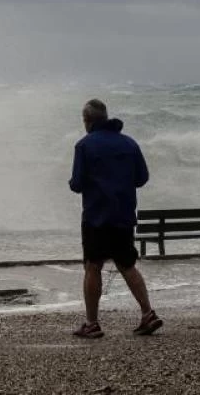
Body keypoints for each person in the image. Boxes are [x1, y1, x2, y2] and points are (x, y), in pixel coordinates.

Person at [68, 98, 162, 338]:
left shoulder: (84, 146)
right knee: (127, 264)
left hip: (96, 216)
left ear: (88, 120)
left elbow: (77, 185)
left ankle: (92, 323)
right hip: (123, 214)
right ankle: (147, 313)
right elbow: (141, 178)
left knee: (93, 266)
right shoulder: (129, 144)